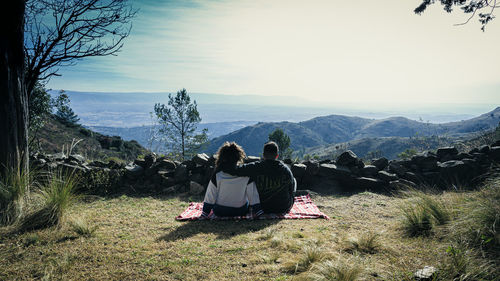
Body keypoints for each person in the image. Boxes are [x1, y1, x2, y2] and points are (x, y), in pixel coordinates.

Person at [223, 141, 296, 214]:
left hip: (263, 207)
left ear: (263, 155)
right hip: (283, 207)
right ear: (277, 155)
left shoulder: (255, 167)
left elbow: (235, 170)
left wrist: (223, 162)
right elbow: (290, 189)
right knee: (294, 181)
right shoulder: (285, 169)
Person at [201, 142, 263, 218]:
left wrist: (205, 213)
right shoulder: (246, 175)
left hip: (220, 211)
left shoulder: (217, 175)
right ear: (238, 157)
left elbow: (210, 195)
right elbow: (253, 196)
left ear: (222, 157)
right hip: (240, 211)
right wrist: (259, 211)